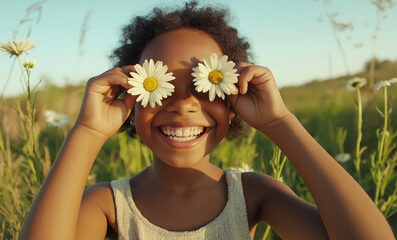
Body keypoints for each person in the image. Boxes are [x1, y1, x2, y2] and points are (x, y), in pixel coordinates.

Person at [19, 2, 394, 239]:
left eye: (206, 85)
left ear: (234, 99)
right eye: (160, 87)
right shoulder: (107, 205)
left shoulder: (254, 194)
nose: (183, 104)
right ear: (131, 99)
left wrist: (280, 122)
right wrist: (86, 132)